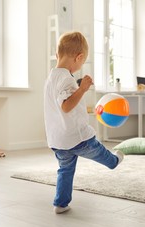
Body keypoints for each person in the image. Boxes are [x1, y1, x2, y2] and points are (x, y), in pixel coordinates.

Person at [44, 31, 124, 214]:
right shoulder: (66, 78)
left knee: (65, 170)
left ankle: (60, 203)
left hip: (58, 140)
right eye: (82, 61)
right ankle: (113, 161)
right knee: (100, 151)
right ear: (79, 58)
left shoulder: (51, 78)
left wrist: (77, 87)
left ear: (57, 55)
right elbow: (66, 106)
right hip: (76, 136)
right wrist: (82, 89)